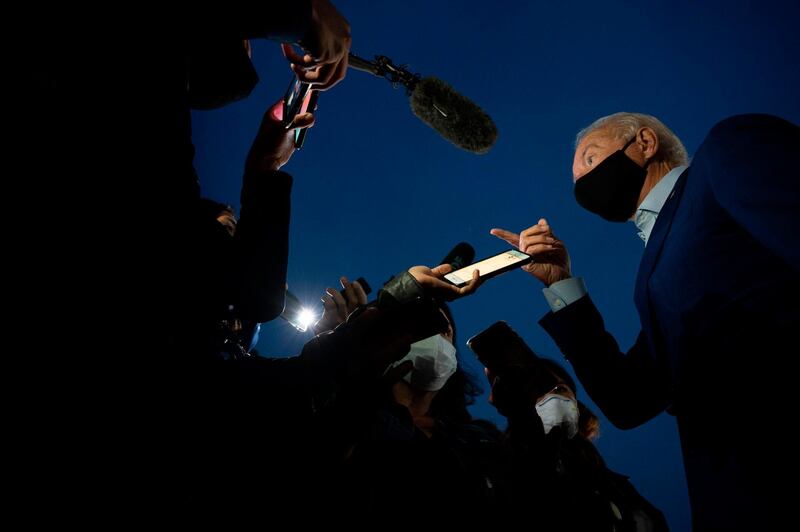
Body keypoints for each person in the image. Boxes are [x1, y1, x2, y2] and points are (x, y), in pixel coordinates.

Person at [491, 113, 799, 530]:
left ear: (645, 143)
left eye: (591, 158)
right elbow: (627, 399)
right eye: (575, 177)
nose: (581, 182)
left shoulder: (726, 152)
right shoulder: (650, 280)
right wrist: (560, 282)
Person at [489, 355, 669, 531]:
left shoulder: (612, 484)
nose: (550, 398)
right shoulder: (499, 467)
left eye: (557, 388)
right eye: (536, 390)